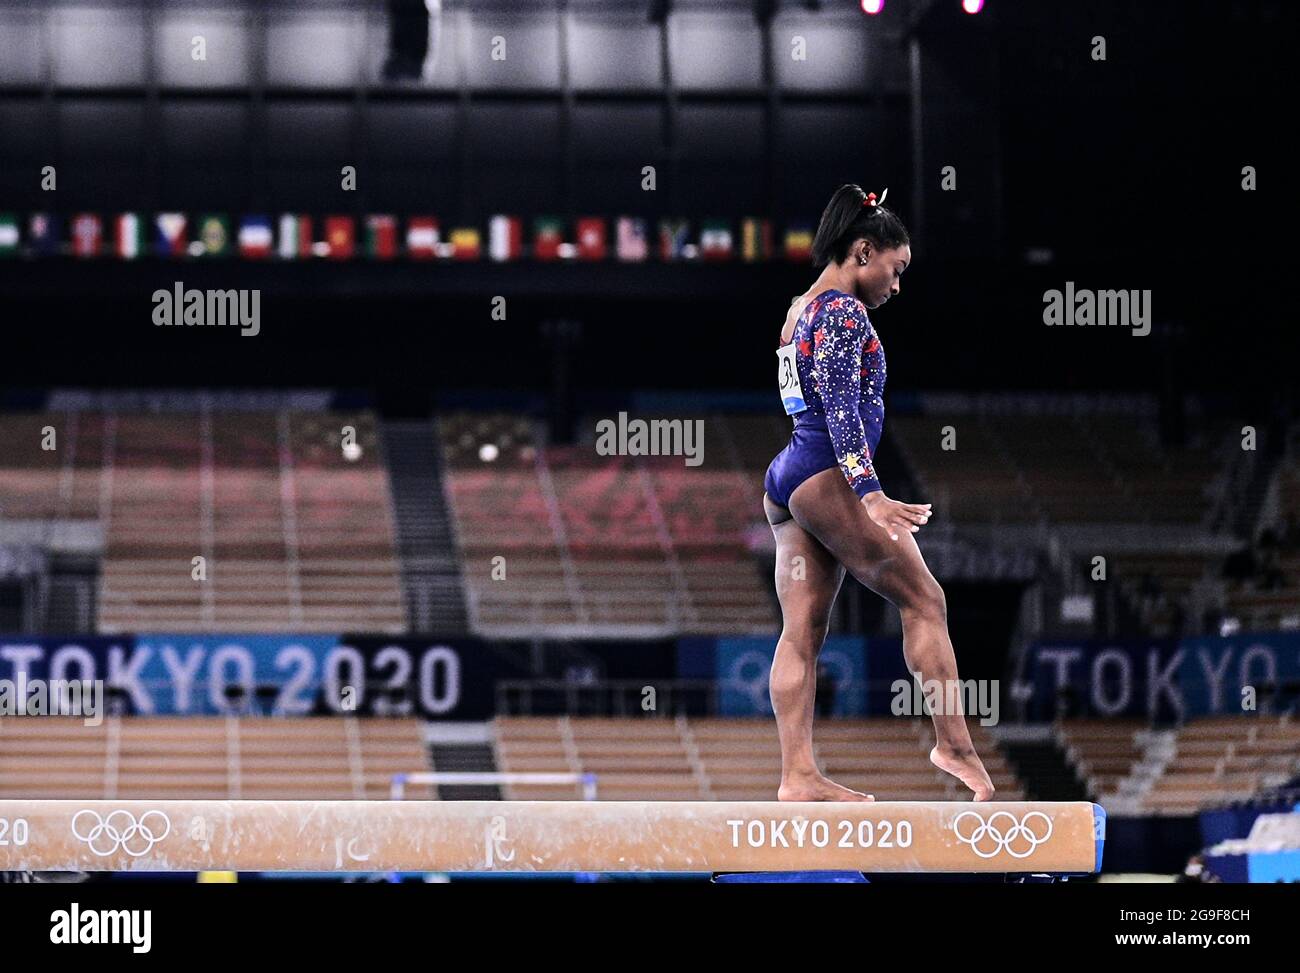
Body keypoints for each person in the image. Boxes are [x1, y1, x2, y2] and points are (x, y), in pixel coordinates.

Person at [763, 183, 994, 802]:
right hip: (825, 472)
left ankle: (798, 775)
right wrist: (868, 493)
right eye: (897, 268)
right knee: (925, 600)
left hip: (787, 478)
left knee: (802, 632)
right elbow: (839, 408)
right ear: (864, 251)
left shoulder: (800, 308)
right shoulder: (841, 311)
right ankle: (954, 743)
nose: (898, 284)